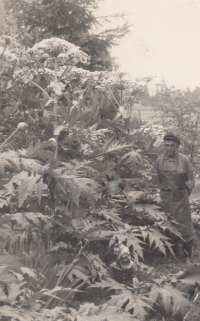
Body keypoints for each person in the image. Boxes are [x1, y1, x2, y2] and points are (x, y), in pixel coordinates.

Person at [156, 133, 195, 263]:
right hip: (165, 197)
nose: (169, 148)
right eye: (166, 145)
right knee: (166, 224)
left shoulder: (185, 160)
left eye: (172, 146)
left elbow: (190, 180)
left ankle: (187, 255)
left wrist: (184, 194)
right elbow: (156, 179)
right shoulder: (159, 160)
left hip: (181, 196)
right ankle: (169, 252)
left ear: (177, 146)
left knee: (184, 225)